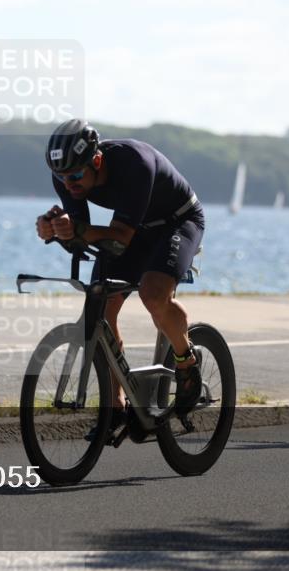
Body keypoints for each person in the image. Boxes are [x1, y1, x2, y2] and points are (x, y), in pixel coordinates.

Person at [35, 119, 205, 437]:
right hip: (135, 228)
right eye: (61, 177)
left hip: (177, 222)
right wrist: (54, 229)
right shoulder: (67, 176)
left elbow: (120, 237)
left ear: (97, 161)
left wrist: (76, 229)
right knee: (99, 307)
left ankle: (186, 360)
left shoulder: (134, 164)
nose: (68, 184)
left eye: (75, 176)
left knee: (153, 295)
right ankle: (116, 406)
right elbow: (81, 229)